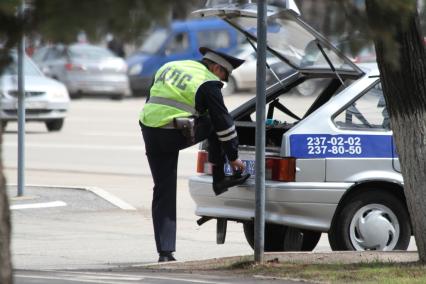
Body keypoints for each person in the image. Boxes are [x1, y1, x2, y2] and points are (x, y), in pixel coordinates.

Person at [138, 46, 250, 262]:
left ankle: (165, 252)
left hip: (149, 129)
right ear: (217, 68)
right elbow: (224, 123)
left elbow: (151, 97)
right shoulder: (208, 82)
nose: (223, 83)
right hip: (173, 133)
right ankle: (219, 178)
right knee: (215, 120)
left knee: (163, 188)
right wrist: (233, 156)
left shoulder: (169, 66)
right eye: (224, 77)